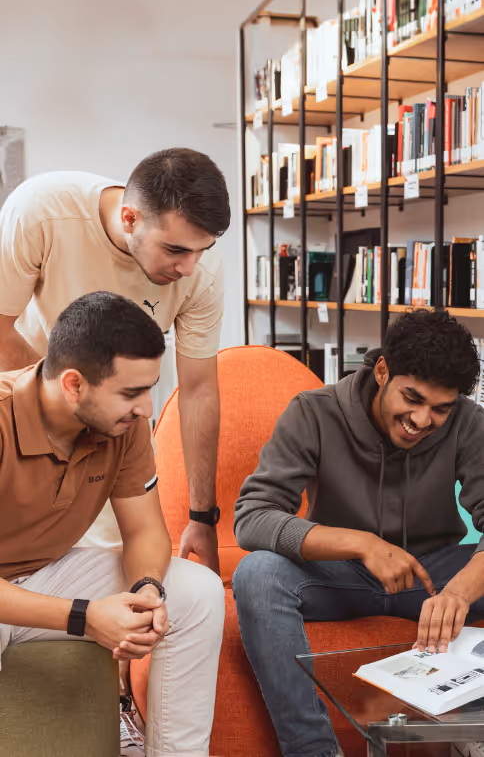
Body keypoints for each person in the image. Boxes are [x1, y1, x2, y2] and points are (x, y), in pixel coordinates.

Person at [233, 308, 484, 757]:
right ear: (382, 369)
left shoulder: (468, 421)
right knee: (258, 574)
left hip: (433, 578)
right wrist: (361, 544)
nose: (423, 420)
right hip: (340, 575)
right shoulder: (312, 412)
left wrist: (460, 593)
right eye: (412, 398)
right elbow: (253, 516)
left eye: (440, 408)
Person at [0, 291, 225, 757]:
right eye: (131, 393)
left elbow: (143, 529)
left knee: (198, 592)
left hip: (44, 573)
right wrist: (84, 618)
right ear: (74, 385)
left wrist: (147, 590)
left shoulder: (122, 426)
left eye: (149, 389)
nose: (146, 408)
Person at [0, 148, 231, 573]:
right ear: (129, 219)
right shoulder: (40, 212)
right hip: (23, 411)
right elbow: (0, 330)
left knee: (121, 568)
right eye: (176, 249)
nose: (188, 267)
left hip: (111, 431)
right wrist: (67, 407)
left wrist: (202, 517)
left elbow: (198, 391)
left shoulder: (202, 272)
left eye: (202, 250)